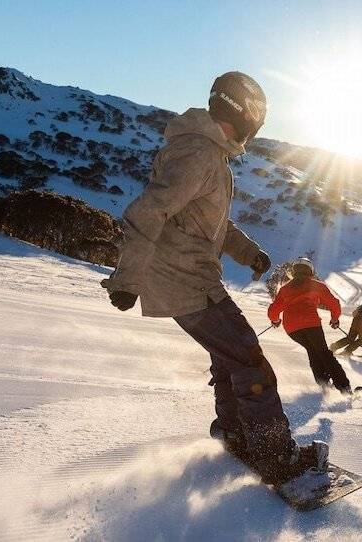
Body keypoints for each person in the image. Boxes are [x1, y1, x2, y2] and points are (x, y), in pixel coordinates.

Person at [101, 71, 325, 484]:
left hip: (190, 276)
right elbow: (149, 211)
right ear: (247, 113)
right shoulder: (199, 153)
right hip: (185, 279)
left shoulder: (207, 153)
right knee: (249, 359)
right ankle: (276, 458)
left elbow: (208, 221)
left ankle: (236, 432)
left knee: (230, 354)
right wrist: (127, 280)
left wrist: (249, 252)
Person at [267, 258, 353, 395]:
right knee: (323, 353)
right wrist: (334, 319)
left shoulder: (285, 289)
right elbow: (334, 303)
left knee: (313, 351)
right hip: (311, 324)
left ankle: (324, 383)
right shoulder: (316, 285)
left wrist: (276, 320)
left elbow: (273, 310)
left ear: (294, 271)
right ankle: (344, 388)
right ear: (310, 271)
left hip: (292, 329)